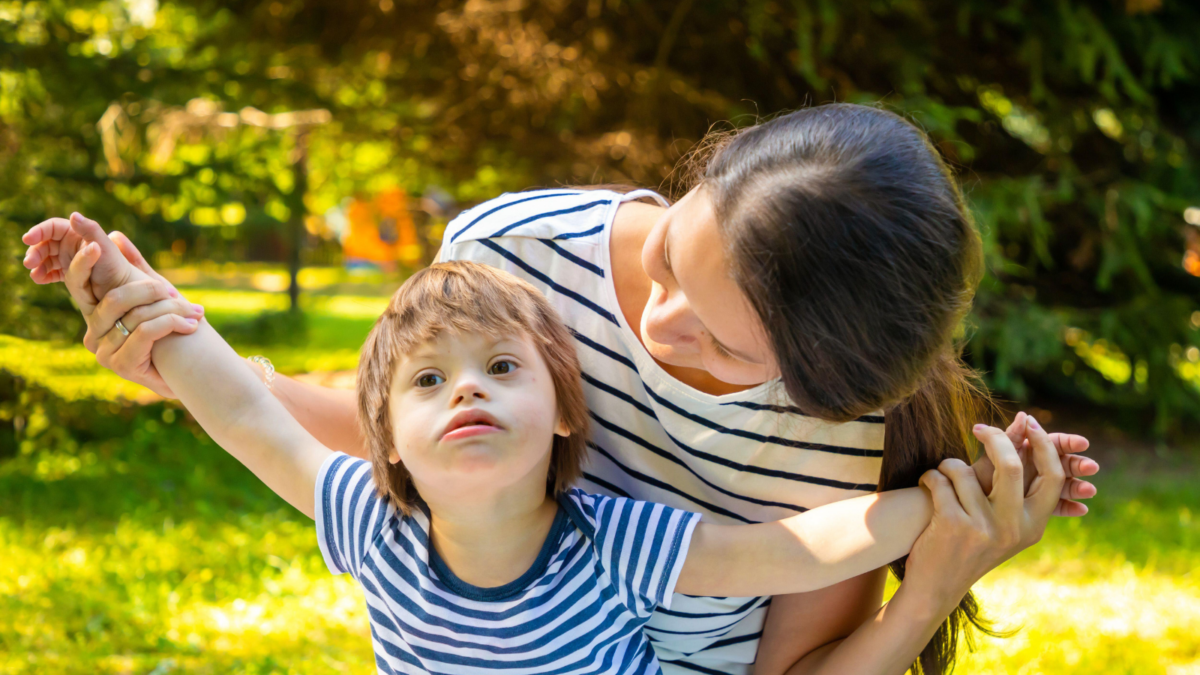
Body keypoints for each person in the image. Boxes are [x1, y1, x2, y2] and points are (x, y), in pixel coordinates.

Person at [22, 103, 1099, 675]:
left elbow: (793, 561)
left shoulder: (838, 437)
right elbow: (387, 419)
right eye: (669, 262)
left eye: (722, 345)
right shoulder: (520, 248)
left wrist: (940, 559)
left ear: (820, 382)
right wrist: (182, 356)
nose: (658, 325)